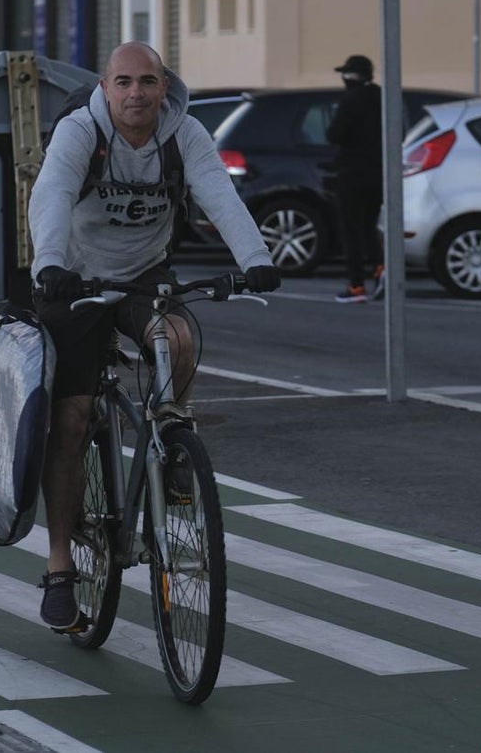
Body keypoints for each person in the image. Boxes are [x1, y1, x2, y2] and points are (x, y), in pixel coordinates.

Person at [27, 42, 281, 630]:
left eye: (147, 81)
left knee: (180, 339)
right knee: (70, 420)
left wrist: (255, 257)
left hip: (145, 276)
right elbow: (52, 197)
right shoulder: (78, 133)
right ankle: (61, 565)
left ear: (164, 86)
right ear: (105, 85)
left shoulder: (183, 133)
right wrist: (48, 265)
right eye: (123, 82)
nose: (135, 93)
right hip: (74, 280)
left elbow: (218, 192)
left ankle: (172, 438)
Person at [326, 54, 385, 304]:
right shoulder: (383, 97)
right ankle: (381, 267)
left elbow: (334, 134)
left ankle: (356, 286)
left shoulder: (350, 101)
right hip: (378, 173)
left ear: (352, 76)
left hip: (351, 173)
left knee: (350, 229)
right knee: (369, 227)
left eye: (346, 74)